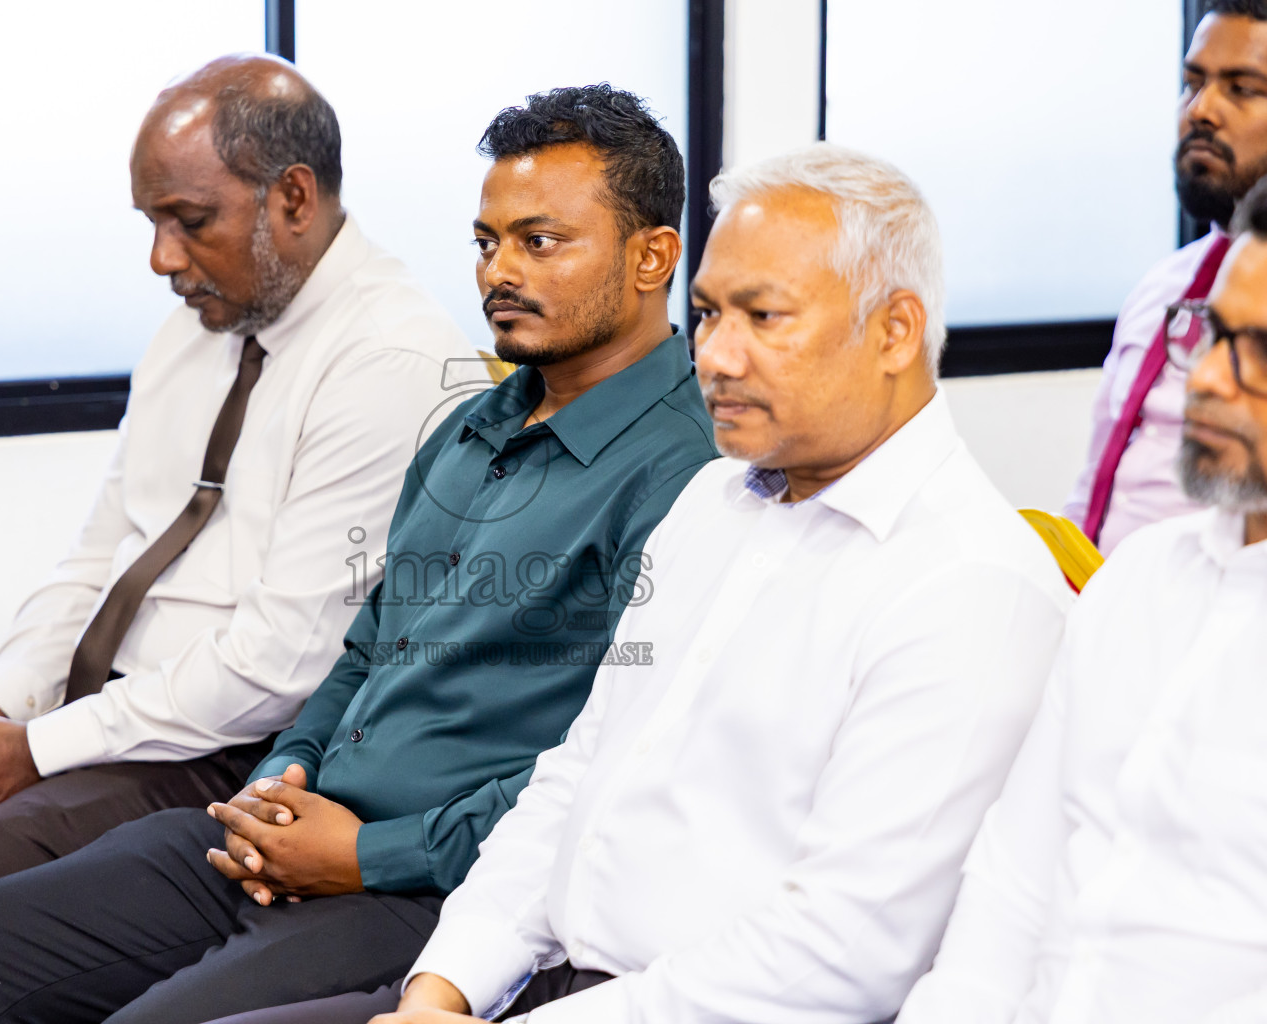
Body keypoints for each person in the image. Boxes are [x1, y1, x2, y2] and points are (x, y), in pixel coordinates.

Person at [193, 144, 1074, 1024]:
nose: (718, 358)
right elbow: (573, 782)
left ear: (895, 331)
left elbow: (838, 956)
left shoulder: (970, 587)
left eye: (764, 318)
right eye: (708, 314)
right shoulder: (716, 501)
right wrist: (443, 989)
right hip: (539, 976)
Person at [0, 83, 719, 1024]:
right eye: (487, 242)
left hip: (428, 887)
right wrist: (275, 785)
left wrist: (369, 855)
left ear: (654, 256)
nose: (500, 270)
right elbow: (364, 655)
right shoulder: (467, 428)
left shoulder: (688, 474)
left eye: (541, 242)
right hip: (295, 826)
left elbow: (607, 772)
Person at [0, 55, 473, 1024]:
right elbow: (101, 550)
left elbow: (285, 663)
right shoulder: (199, 325)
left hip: (216, 747)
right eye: (150, 223)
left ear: (292, 197)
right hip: (88, 712)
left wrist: (35, 750)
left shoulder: (394, 359)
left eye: (188, 220)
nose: (162, 258)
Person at [897, 178, 1267, 1024]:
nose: (1206, 379)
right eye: (1211, 335)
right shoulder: (1140, 582)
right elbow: (1011, 889)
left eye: (1260, 349)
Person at [1066, 0, 1267, 553]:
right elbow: (1098, 485)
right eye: (1192, 83)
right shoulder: (1162, 286)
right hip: (1098, 601)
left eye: (1242, 88)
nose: (1201, 110)